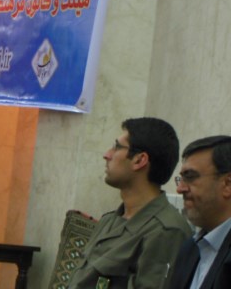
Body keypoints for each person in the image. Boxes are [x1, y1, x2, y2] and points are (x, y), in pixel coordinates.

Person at [68, 117, 193, 289]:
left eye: (117, 147)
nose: (107, 155)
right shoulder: (109, 221)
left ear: (139, 160)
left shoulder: (166, 231)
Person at [168, 136, 231, 289]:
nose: (180, 189)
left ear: (227, 184)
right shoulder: (189, 249)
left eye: (190, 177)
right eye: (181, 179)